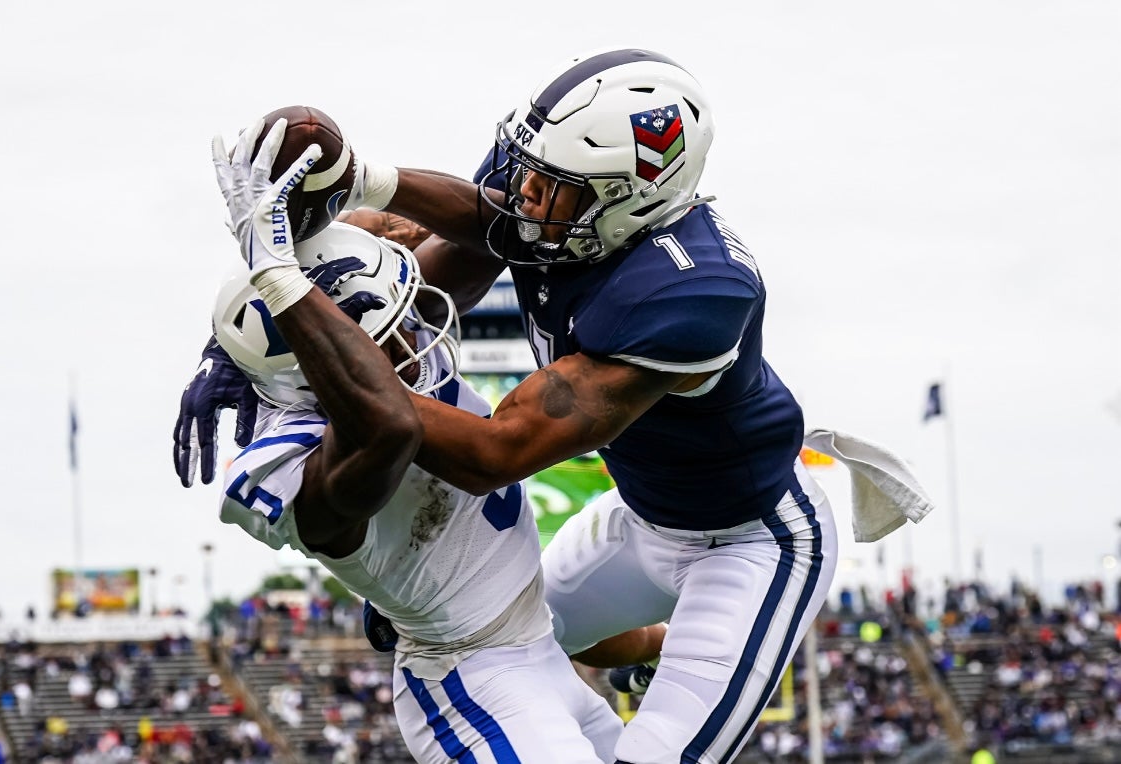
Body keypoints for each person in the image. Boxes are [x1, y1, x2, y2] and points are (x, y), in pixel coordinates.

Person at [179, 48, 838, 762]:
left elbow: (492, 452)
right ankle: (654, 647)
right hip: (640, 512)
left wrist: (299, 316)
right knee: (530, 620)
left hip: (749, 537)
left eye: (549, 189)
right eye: (525, 174)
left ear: (627, 197)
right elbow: (447, 278)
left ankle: (690, 651)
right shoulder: (561, 184)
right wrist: (361, 183)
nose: (522, 195)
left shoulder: (690, 293)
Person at [203, 117, 623, 763]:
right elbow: (387, 427)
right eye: (390, 326)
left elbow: (496, 234)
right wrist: (277, 273)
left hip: (532, 652)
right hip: (470, 680)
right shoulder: (291, 461)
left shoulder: (379, 344)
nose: (416, 334)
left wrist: (362, 183)